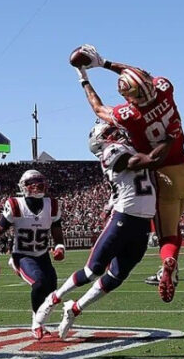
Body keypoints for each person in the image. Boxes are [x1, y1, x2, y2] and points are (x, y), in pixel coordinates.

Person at [73, 44, 184, 303]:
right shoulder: (164, 87)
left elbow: (98, 109)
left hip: (165, 176)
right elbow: (138, 72)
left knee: (167, 235)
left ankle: (168, 265)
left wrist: (84, 77)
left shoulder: (129, 115)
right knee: (174, 228)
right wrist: (105, 63)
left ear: (130, 96)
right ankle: (170, 266)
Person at [37, 121, 166, 340]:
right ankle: (53, 299)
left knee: (116, 277)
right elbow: (150, 159)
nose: (116, 133)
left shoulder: (128, 147)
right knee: (92, 270)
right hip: (124, 217)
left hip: (143, 222)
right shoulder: (111, 152)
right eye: (109, 132)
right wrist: (171, 137)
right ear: (102, 140)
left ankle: (75, 309)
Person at [0, 169, 66, 340]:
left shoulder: (51, 204)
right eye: (32, 182)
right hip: (22, 255)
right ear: (24, 186)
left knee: (52, 290)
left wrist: (60, 247)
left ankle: (40, 321)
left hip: (42, 255)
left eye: (39, 181)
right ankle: (36, 323)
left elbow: (57, 231)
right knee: (39, 283)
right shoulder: (15, 204)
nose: (37, 185)